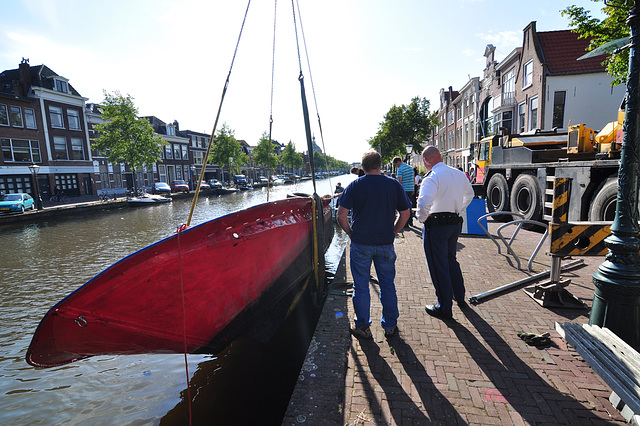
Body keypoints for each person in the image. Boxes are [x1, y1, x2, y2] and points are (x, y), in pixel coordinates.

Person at [337, 150, 411, 339]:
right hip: (385, 243)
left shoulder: (354, 186)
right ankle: (390, 325)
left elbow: (341, 216)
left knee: (361, 286)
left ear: (363, 168)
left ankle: (362, 325)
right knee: (387, 285)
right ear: (380, 165)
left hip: (361, 243)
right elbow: (405, 214)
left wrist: (351, 234)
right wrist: (394, 231)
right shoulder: (393, 185)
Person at [416, 146, 474, 320]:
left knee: (438, 265)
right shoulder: (458, 174)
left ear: (426, 161)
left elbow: (424, 201)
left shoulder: (432, 177)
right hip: (454, 223)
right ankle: (459, 296)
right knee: (450, 260)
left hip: (437, 225)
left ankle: (444, 306)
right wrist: (458, 210)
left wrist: (422, 218)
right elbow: (469, 195)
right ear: (440, 156)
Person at [393, 156, 415, 227]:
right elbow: (413, 178)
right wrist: (413, 188)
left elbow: (400, 181)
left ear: (398, 162)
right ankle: (410, 221)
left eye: (395, 164)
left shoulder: (400, 169)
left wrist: (398, 190)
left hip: (404, 189)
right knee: (409, 205)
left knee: (404, 207)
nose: (395, 166)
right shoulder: (410, 168)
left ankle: (405, 224)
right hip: (411, 188)